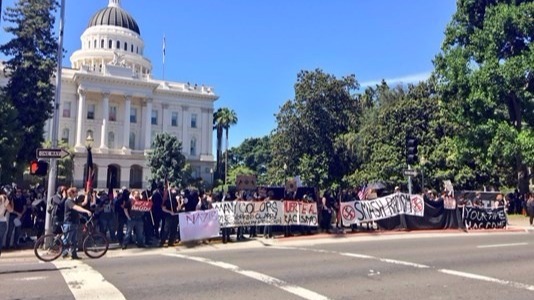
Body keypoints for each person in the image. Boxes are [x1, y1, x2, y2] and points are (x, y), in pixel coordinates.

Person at [62, 187, 92, 259]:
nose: (77, 193)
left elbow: (83, 203)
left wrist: (86, 194)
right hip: (69, 223)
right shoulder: (68, 202)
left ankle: (74, 255)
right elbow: (76, 207)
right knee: (67, 239)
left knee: (74, 240)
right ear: (72, 193)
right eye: (76, 192)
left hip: (74, 223)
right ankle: (64, 252)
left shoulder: (73, 201)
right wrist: (86, 211)